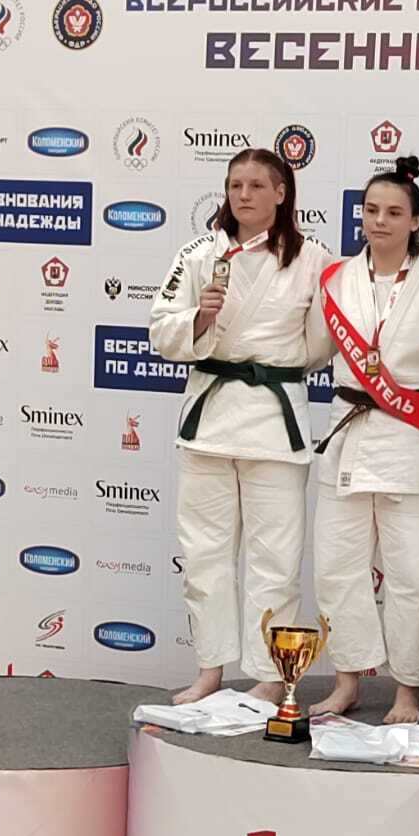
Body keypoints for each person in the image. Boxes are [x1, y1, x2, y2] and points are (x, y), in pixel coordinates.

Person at [149, 148, 331, 705]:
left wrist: (274, 369)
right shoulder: (198, 254)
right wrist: (200, 318)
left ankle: (271, 674)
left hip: (273, 424)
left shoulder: (314, 260)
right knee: (203, 554)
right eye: (235, 185)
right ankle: (209, 669)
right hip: (208, 422)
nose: (243, 195)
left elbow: (319, 345)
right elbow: (161, 330)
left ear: (281, 192)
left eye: (256, 185)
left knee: (275, 558)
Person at [308, 157, 419, 724]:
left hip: (411, 439)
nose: (380, 221)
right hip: (349, 432)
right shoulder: (338, 278)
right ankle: (347, 679)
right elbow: (310, 352)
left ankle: (408, 689)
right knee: (336, 567)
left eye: (395, 212)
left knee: (411, 576)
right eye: (371, 210)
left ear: (417, 220)